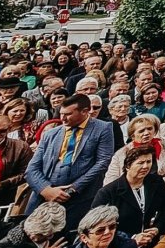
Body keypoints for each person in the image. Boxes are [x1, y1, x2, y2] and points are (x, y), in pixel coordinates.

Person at [24, 93, 114, 230]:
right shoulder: (50, 134)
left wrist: (73, 189)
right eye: (61, 113)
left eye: (68, 114)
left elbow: (103, 162)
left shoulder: (103, 128)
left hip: (80, 198)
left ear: (85, 111)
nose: (62, 118)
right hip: (44, 196)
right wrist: (46, 190)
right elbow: (32, 169)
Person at [92, 145, 165, 248]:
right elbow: (96, 226)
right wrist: (131, 238)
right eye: (140, 163)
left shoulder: (156, 182)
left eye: (148, 161)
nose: (145, 166)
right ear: (128, 166)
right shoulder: (108, 192)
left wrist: (157, 228)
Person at [104, 115, 165, 184]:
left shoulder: (164, 146)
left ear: (155, 130)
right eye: (141, 131)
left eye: (149, 129)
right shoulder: (122, 153)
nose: (146, 133)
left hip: (159, 188)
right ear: (132, 136)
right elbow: (110, 179)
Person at [0, 114, 32, 208]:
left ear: (9, 129)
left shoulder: (21, 147)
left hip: (5, 200)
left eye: (2, 131)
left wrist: (3, 184)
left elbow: (27, 173)